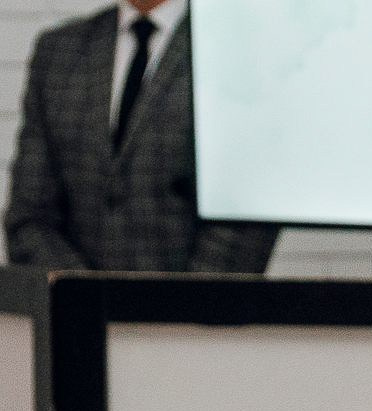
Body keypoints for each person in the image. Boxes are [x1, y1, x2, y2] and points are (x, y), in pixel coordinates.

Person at [5, 0, 278, 272]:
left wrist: (178, 307)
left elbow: (246, 218)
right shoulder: (60, 50)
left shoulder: (240, 49)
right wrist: (84, 298)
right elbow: (29, 215)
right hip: (77, 307)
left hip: (196, 307)